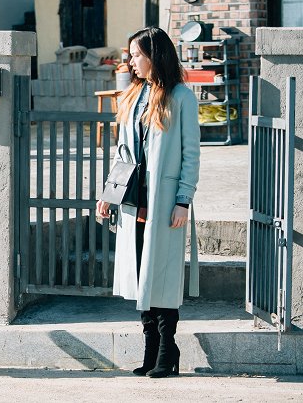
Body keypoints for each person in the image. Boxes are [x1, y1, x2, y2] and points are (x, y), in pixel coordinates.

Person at [96, 27, 200, 378]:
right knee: (141, 275)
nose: (131, 62)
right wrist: (109, 195)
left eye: (137, 55)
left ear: (155, 56)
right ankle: (151, 349)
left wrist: (183, 199)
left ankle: (167, 348)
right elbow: (122, 154)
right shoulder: (132, 95)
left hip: (165, 199)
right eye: (131, 56)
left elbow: (191, 155)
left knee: (163, 274)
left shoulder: (182, 97)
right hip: (133, 199)